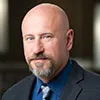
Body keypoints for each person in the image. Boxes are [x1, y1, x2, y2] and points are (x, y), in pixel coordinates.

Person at [2, 3, 100, 100]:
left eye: (46, 37)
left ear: (68, 40)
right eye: (30, 38)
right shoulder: (11, 96)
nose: (37, 49)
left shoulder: (96, 91)